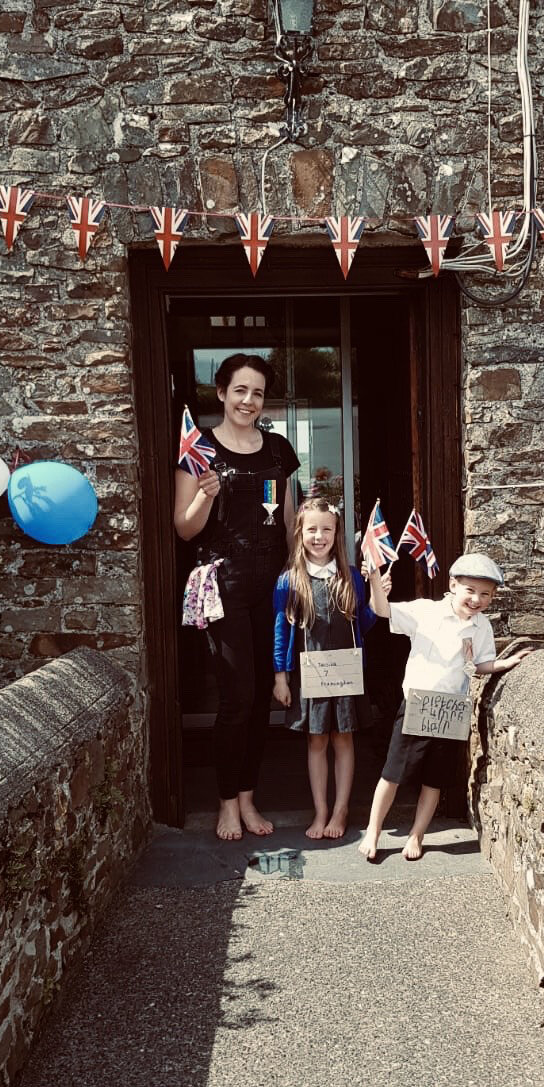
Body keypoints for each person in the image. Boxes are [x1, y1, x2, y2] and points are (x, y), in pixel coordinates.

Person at [174, 353, 300, 841]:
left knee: (265, 697)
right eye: (240, 390)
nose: (249, 400)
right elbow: (184, 529)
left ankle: (249, 799)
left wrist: (300, 577)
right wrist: (205, 493)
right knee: (236, 696)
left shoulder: (278, 451)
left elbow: (286, 519)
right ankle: (226, 802)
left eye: (259, 393)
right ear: (221, 393)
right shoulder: (199, 451)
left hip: (270, 585)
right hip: (224, 588)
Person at [358, 552, 533, 862]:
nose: (477, 599)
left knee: (434, 778)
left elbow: (480, 664)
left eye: (485, 594)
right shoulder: (427, 612)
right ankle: (373, 830)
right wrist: (374, 579)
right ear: (453, 584)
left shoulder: (481, 627)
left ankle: (417, 834)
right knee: (392, 773)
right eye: (470, 590)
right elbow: (382, 610)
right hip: (418, 704)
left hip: (451, 709)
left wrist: (504, 663)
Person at [272, 498, 379, 841]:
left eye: (327, 530)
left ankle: (341, 809)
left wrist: (378, 596)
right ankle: (320, 809)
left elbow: (362, 624)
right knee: (316, 742)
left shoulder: (351, 579)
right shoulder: (289, 581)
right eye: (312, 529)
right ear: (300, 532)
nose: (319, 536)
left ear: (337, 534)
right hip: (311, 675)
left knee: (343, 740)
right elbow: (281, 630)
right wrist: (280, 675)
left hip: (345, 672)